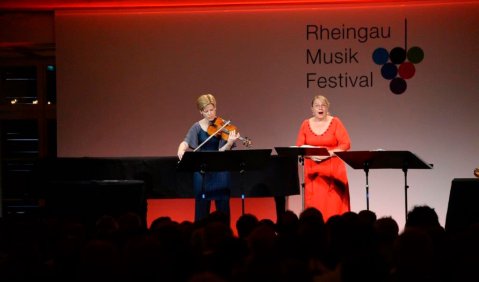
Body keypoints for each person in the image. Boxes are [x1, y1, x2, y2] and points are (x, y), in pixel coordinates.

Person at [177, 93, 240, 223]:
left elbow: (221, 152)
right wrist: (181, 149)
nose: (210, 113)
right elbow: (186, 141)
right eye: (206, 111)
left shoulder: (222, 125)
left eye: (212, 110)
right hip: (202, 170)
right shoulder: (196, 127)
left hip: (220, 169)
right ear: (201, 112)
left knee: (222, 208)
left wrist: (229, 143)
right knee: (201, 207)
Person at [295, 95, 351, 222]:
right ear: (312, 109)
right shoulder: (305, 124)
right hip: (313, 171)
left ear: (327, 107)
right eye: (317, 105)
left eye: (323, 105)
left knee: (334, 206)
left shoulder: (335, 122)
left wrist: (327, 153)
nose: (320, 108)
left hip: (333, 170)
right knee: (315, 207)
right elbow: (299, 147)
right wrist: (310, 155)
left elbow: (346, 144)